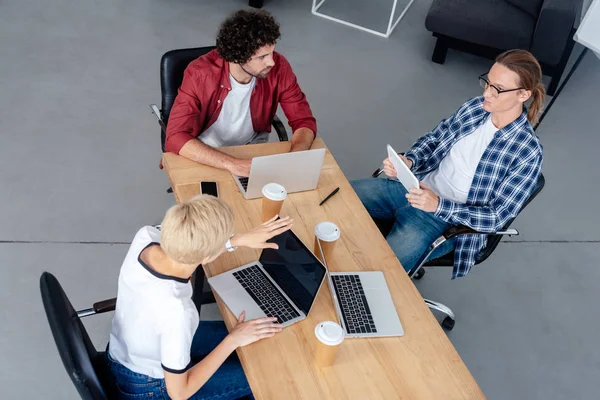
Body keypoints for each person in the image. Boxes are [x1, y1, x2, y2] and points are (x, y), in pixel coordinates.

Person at [351, 49, 544, 279]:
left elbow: (496, 216)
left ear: (523, 95)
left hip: (443, 220)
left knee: (377, 274)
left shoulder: (527, 152)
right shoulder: (475, 108)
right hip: (413, 187)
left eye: (498, 89)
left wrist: (438, 206)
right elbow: (434, 140)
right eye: (487, 82)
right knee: (333, 194)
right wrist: (410, 161)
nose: (487, 93)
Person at [107, 195, 293, 399]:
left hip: (127, 348)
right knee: (262, 372)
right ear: (207, 258)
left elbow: (189, 245)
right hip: (149, 385)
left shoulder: (146, 236)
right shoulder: (177, 311)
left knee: (255, 334)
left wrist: (237, 240)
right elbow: (179, 393)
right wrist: (232, 340)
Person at [165, 9, 317, 177]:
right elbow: (175, 136)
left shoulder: (280, 67)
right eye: (262, 57)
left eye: (272, 52)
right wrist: (234, 165)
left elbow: (304, 121)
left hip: (252, 145)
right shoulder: (199, 74)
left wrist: (295, 158)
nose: (272, 62)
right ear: (237, 57)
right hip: (206, 149)